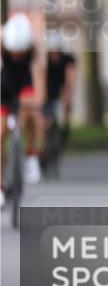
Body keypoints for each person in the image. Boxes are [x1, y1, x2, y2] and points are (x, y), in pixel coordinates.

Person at [1, 13, 46, 205]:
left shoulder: (35, 48)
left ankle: (31, 155)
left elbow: (39, 76)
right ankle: (1, 184)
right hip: (4, 84)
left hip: (25, 83)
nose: (17, 55)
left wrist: (39, 104)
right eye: (14, 51)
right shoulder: (2, 42)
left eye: (21, 51)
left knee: (31, 114)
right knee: (1, 132)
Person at [41, 30, 77, 173]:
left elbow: (70, 80)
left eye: (57, 52)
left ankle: (64, 137)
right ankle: (43, 152)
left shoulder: (68, 60)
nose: (54, 55)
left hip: (61, 93)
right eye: (52, 52)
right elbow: (41, 79)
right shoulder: (44, 60)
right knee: (44, 122)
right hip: (46, 93)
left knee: (64, 114)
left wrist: (68, 97)